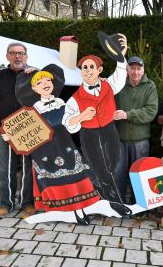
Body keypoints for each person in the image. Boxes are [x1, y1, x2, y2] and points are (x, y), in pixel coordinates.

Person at [63, 36, 131, 216]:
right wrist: (81, 116)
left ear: (99, 70)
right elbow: (67, 122)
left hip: (109, 130)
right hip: (89, 134)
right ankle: (117, 204)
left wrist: (120, 57)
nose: (87, 70)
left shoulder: (109, 85)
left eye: (91, 67)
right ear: (81, 72)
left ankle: (98, 189)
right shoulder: (75, 98)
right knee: (101, 169)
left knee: (114, 163)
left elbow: (120, 74)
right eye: (84, 68)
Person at [28, 70, 100, 225]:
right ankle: (63, 211)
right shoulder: (33, 109)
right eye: (39, 83)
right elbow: (28, 134)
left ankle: (80, 209)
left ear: (52, 84)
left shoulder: (62, 103)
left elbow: (71, 126)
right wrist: (9, 136)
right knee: (55, 180)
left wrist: (81, 117)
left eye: (47, 80)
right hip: (47, 150)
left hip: (65, 145)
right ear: (34, 89)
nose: (45, 85)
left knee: (75, 176)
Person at [0, 42, 35, 218]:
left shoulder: (34, 75)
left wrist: (36, 73)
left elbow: (48, 91)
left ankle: (27, 202)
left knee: (28, 168)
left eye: (21, 53)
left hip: (29, 129)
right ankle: (6, 203)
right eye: (13, 53)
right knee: (4, 168)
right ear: (7, 56)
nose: (17, 56)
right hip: (5, 129)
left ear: (26, 57)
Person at [114, 56, 158, 199]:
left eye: (138, 69)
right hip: (119, 139)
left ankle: (138, 204)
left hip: (140, 141)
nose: (135, 72)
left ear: (143, 70)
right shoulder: (119, 85)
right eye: (132, 68)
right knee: (118, 174)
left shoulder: (150, 86)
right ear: (127, 70)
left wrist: (128, 115)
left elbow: (151, 111)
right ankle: (118, 204)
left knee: (139, 174)